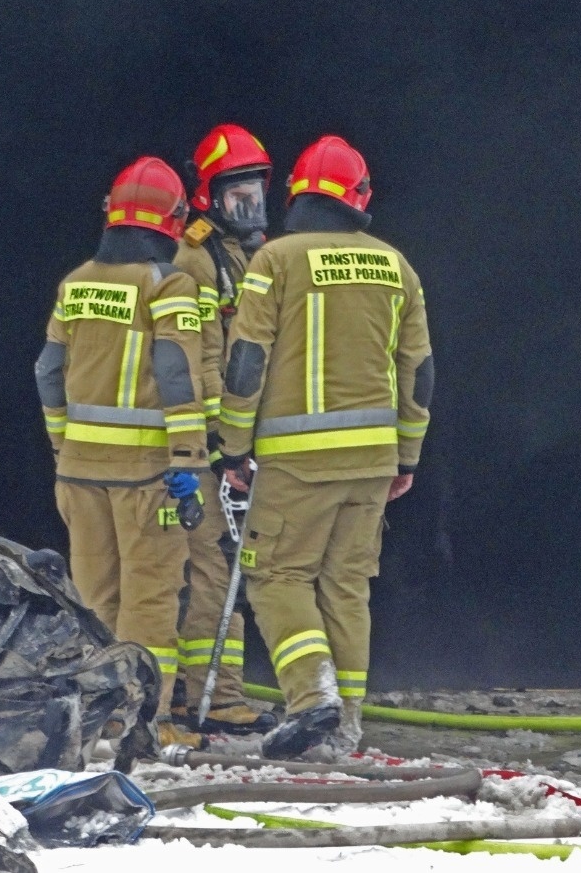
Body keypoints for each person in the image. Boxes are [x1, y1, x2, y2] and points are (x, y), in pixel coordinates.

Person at [219, 134, 433, 759]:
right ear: (359, 196)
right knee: (347, 587)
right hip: (372, 461)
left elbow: (247, 360)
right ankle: (347, 729)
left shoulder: (275, 262)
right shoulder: (397, 266)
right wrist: (409, 456)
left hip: (295, 461)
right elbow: (418, 371)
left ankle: (312, 698)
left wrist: (233, 446)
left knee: (277, 575)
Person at [34, 156, 212, 751]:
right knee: (151, 601)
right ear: (174, 219)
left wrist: (63, 442)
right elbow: (176, 372)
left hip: (79, 472)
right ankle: (144, 722)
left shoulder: (76, 283)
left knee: (94, 598)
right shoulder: (168, 284)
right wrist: (188, 459)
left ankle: (97, 716)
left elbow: (49, 371)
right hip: (148, 475)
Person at [169, 123, 279, 737]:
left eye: (256, 195)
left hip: (235, 439)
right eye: (237, 197)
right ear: (208, 196)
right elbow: (203, 358)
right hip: (210, 443)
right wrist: (221, 443)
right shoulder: (193, 260)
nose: (250, 209)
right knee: (213, 567)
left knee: (229, 564)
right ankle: (205, 698)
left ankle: (215, 693)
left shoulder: (238, 255)